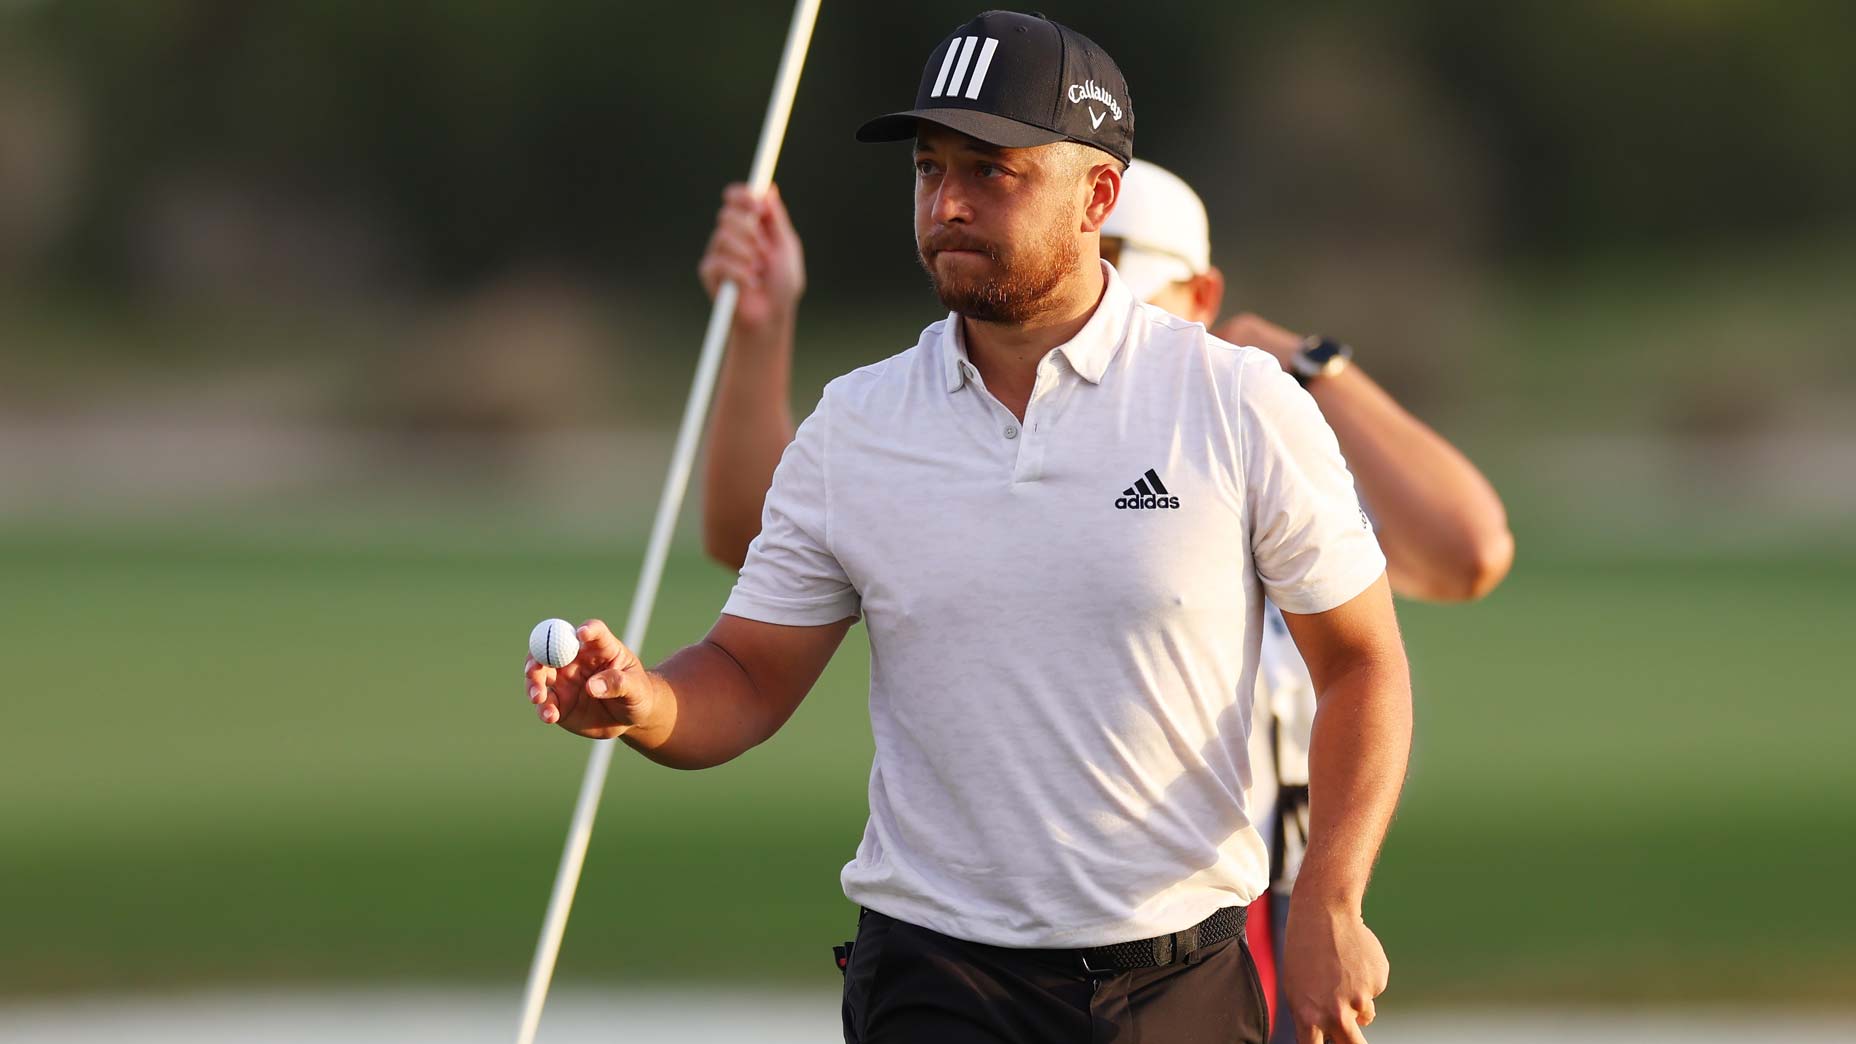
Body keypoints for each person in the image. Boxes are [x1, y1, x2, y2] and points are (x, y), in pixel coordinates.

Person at [528, 12, 1411, 1043]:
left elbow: (1359, 665)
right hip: (936, 979)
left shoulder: (1234, 402)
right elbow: (749, 674)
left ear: (1097, 197)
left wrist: (1330, 901)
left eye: (992, 172)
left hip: (1177, 984)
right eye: (928, 167)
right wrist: (645, 702)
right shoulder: (855, 426)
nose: (946, 202)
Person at [699, 151, 1512, 1042]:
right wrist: (761, 330)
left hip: (1244, 927)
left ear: (1200, 297)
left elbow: (1466, 551)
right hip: (1007, 957)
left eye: (1134, 270)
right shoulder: (961, 426)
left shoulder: (1244, 423)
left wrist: (1309, 367)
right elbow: (757, 550)